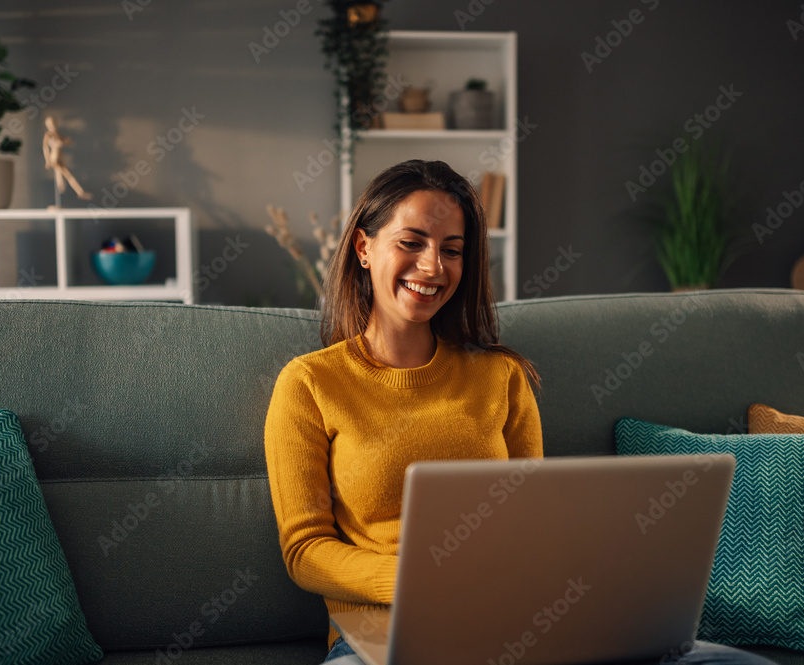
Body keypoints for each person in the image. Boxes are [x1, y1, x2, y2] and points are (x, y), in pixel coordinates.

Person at [264, 160, 774, 665]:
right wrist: (413, 581)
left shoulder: (501, 377)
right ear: (363, 248)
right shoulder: (310, 383)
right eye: (411, 242)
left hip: (510, 622)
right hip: (381, 632)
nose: (433, 266)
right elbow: (305, 550)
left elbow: (534, 523)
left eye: (452, 250)